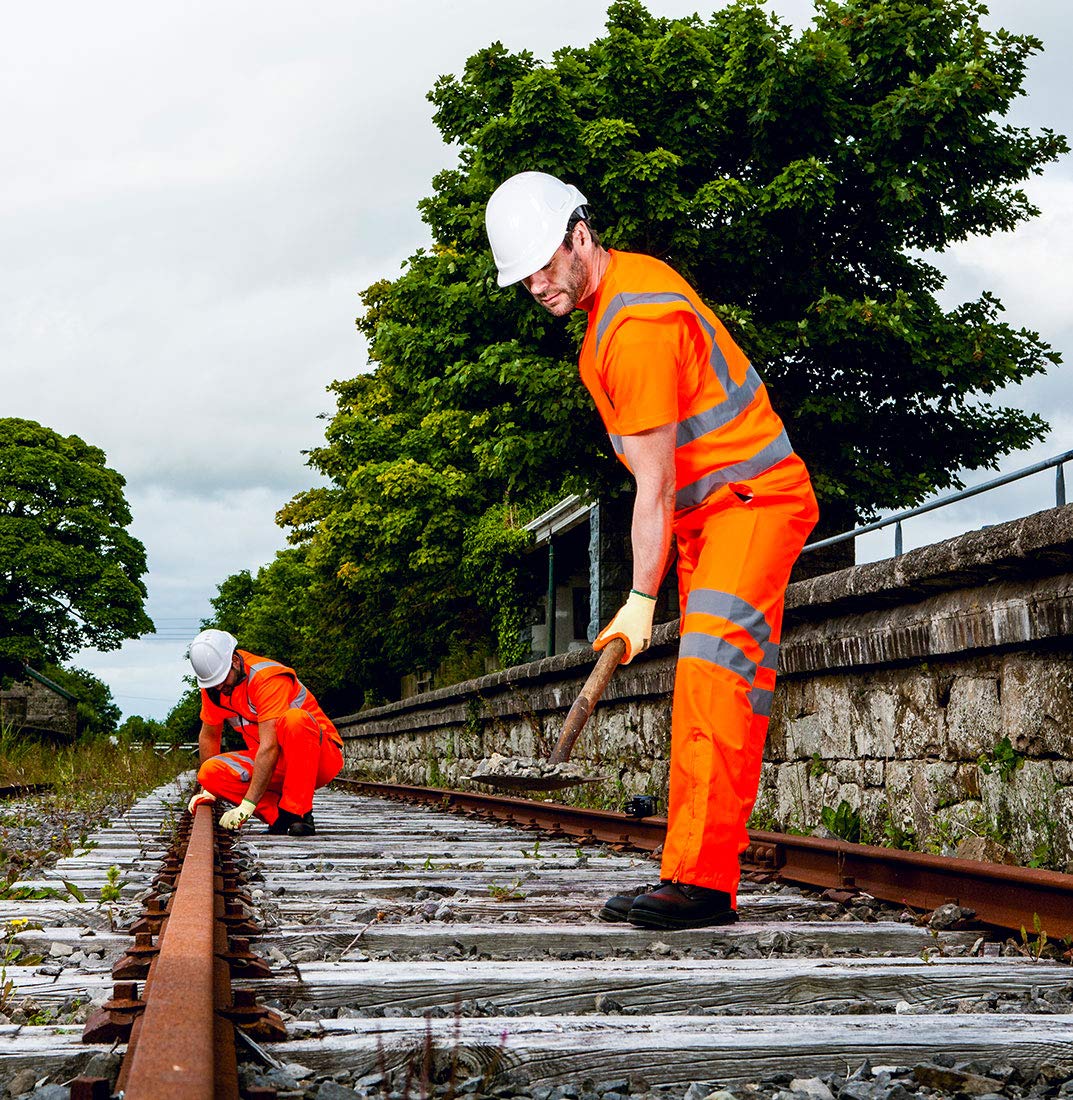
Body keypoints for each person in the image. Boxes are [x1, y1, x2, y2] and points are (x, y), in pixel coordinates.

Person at [485, 172, 819, 929]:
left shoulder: (632, 327)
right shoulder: (620, 295)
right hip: (715, 515)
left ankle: (701, 886)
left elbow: (654, 487)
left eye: (543, 263)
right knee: (705, 689)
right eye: (523, 276)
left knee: (713, 680)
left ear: (579, 235)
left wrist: (639, 602)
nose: (536, 284)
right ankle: (691, 872)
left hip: (751, 503)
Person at [185, 629, 343, 837]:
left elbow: (269, 747)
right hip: (273, 763)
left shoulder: (267, 678)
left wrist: (247, 805)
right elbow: (209, 735)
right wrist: (208, 791)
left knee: (295, 720)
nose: (220, 687)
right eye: (213, 684)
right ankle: (278, 817)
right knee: (209, 773)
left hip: (318, 759)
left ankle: (298, 813)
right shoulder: (214, 688)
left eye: (222, 679)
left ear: (234, 661)